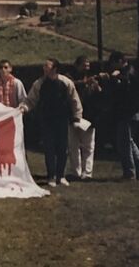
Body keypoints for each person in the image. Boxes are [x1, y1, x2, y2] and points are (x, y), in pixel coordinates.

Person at [21, 58, 83, 187]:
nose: (44, 67)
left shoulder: (66, 82)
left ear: (54, 68)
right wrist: (23, 108)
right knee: (49, 148)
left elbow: (74, 100)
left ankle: (61, 176)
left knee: (63, 148)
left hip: (62, 119)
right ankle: (51, 176)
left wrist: (77, 116)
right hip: (47, 120)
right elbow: (30, 100)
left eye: (47, 65)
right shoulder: (39, 83)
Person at [101, 52, 139, 180]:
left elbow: (123, 89)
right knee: (130, 142)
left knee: (124, 145)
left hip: (127, 113)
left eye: (114, 63)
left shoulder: (126, 73)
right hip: (134, 112)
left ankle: (130, 173)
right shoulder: (133, 71)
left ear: (120, 61)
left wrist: (114, 78)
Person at [68, 55, 101, 180]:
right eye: (84, 65)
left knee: (88, 146)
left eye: (88, 66)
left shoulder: (92, 78)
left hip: (89, 116)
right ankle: (75, 171)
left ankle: (87, 173)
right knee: (73, 146)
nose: (86, 68)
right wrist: (84, 83)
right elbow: (70, 86)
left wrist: (96, 87)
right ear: (77, 65)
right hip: (74, 116)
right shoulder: (70, 77)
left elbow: (97, 96)